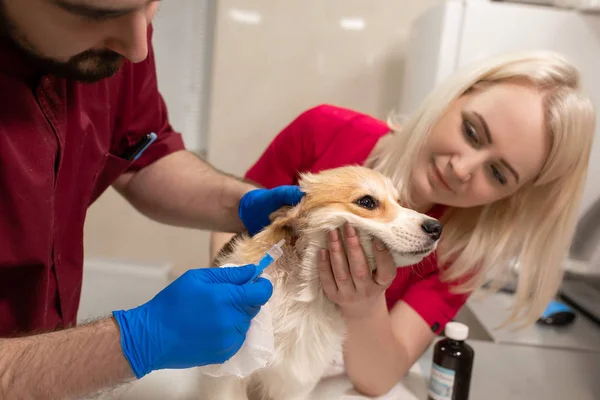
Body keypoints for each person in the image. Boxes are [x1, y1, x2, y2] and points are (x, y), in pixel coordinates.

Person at [211, 51, 596, 396]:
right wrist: (232, 313)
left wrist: (363, 304)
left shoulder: (463, 251)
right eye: (471, 132)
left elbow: (376, 379)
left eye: (497, 174)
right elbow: (232, 223)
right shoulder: (324, 131)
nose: (461, 168)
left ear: (514, 194)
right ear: (454, 97)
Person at [0, 1, 305, 399]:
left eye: (151, 7)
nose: (138, 47)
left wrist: (241, 203)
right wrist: (132, 343)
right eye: (97, 18)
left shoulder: (122, 32)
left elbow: (142, 153)